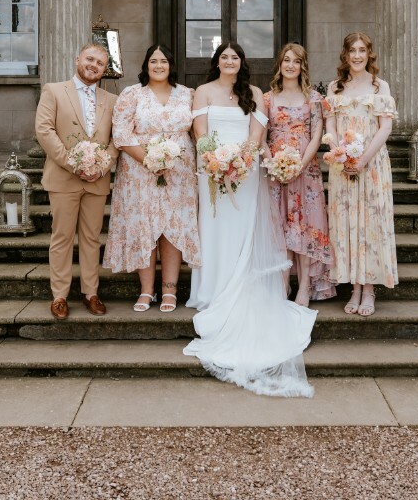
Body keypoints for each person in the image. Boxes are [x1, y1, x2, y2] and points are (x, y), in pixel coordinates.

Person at [185, 41, 316, 398]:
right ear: (217, 62)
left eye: (236, 57)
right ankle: (212, 291)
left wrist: (238, 164)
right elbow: (199, 132)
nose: (230, 61)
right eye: (224, 56)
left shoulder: (254, 92)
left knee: (242, 231)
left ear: (242, 62)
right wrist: (216, 163)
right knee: (214, 230)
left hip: (245, 171)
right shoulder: (203, 91)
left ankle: (242, 285)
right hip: (211, 169)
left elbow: (257, 136)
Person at [103, 44, 200, 313]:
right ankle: (147, 290)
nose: (159, 66)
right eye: (154, 61)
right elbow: (121, 134)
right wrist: (150, 160)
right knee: (144, 226)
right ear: (146, 65)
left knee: (172, 227)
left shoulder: (187, 95)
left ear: (171, 65)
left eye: (164, 61)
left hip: (179, 172)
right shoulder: (131, 94)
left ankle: (170, 289)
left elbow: (197, 131)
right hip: (139, 171)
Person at [35, 42, 118, 320]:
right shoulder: (54, 91)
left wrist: (100, 166)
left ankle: (90, 292)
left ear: (105, 70)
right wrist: (74, 163)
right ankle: (59, 295)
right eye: (90, 59)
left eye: (100, 63)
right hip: (63, 177)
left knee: (92, 239)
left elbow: (116, 141)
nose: (93, 66)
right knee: (62, 237)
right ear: (77, 59)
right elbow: (44, 130)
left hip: (97, 180)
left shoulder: (111, 100)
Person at [324, 32, 398, 318]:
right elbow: (330, 126)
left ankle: (368, 289)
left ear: (369, 54)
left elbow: (385, 129)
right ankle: (354, 287)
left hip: (372, 166)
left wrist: (363, 159)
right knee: (347, 225)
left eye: (362, 50)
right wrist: (339, 152)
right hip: (343, 167)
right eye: (352, 50)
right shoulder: (335, 87)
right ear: (345, 54)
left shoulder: (380, 86)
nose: (357, 56)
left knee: (369, 224)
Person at [263, 43, 336, 307]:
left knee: (307, 226)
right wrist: (273, 164)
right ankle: (283, 281)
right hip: (275, 173)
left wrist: (299, 166)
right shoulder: (267, 98)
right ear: (280, 65)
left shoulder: (314, 98)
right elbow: (261, 137)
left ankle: (304, 285)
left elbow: (317, 135)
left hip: (306, 172)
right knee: (280, 226)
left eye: (296, 61)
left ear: (302, 66)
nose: (290, 65)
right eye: (286, 60)